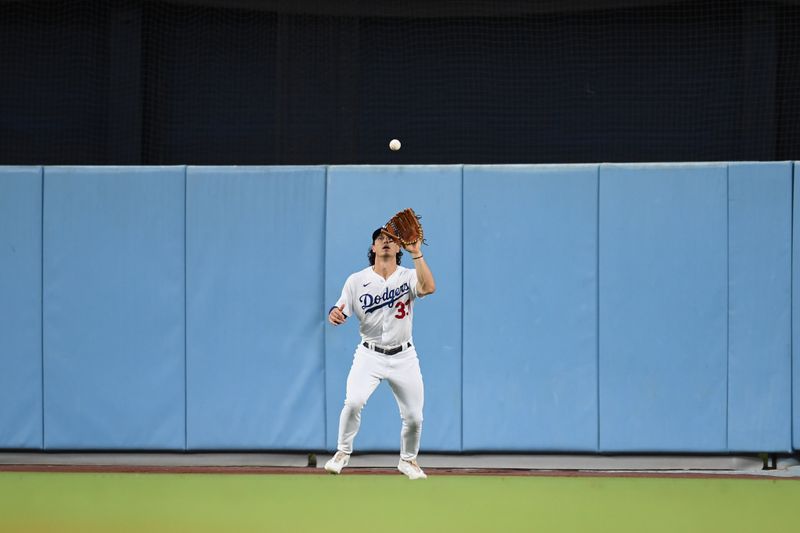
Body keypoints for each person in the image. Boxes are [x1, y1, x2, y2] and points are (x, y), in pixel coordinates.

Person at [325, 227, 436, 479]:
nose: (385, 242)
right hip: (369, 354)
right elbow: (339, 307)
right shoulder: (356, 280)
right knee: (353, 402)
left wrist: (417, 253)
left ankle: (408, 460)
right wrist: (335, 314)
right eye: (380, 239)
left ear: (399, 249)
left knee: (414, 417)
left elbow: (429, 287)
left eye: (390, 240)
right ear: (373, 248)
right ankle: (342, 453)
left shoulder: (408, 276)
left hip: (404, 356)